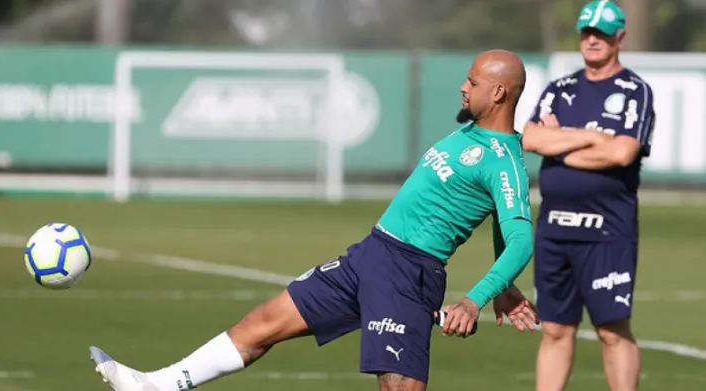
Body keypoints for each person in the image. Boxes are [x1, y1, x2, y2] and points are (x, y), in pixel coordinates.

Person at [89, 49, 539, 391]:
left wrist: (476, 299)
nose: (463, 87)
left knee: (398, 386)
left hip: (408, 272)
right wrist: (507, 289)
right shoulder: (469, 131)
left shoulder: (504, 161)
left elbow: (520, 238)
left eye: (473, 81)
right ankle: (157, 384)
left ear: (498, 92)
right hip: (371, 255)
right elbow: (499, 222)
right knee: (264, 322)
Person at [522, 1, 656, 390]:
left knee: (612, 331)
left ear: (620, 38)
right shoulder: (560, 89)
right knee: (554, 329)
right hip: (555, 229)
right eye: (586, 32)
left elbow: (623, 152)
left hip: (606, 232)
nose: (592, 39)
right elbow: (530, 137)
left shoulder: (634, 91)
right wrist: (593, 138)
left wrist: (559, 143)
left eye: (601, 32)